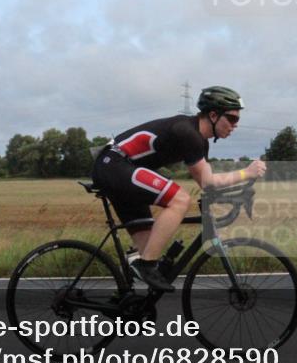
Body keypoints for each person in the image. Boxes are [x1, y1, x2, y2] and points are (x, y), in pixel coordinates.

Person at [91, 86, 266, 292]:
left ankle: (125, 297)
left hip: (120, 169)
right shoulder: (187, 132)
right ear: (213, 114)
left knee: (148, 248)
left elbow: (206, 183)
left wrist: (240, 187)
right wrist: (246, 173)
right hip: (115, 165)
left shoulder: (198, 140)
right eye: (232, 118)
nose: (235, 125)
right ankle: (144, 265)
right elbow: (209, 182)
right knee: (180, 200)